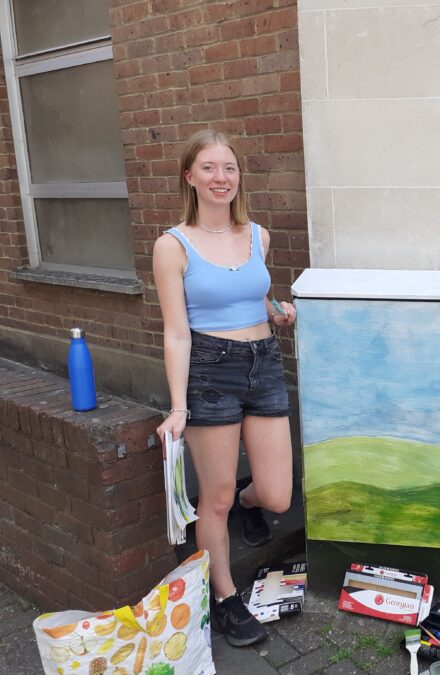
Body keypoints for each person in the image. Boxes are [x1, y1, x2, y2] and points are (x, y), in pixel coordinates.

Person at [153, 129, 296, 647]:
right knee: (212, 499)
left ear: (239, 176)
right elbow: (176, 330)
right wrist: (177, 406)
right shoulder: (173, 245)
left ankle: (249, 500)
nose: (221, 178)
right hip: (210, 370)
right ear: (189, 177)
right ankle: (226, 598)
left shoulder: (258, 235)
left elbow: (254, 290)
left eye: (229, 168)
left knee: (278, 494)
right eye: (209, 168)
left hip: (264, 362)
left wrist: (276, 312)